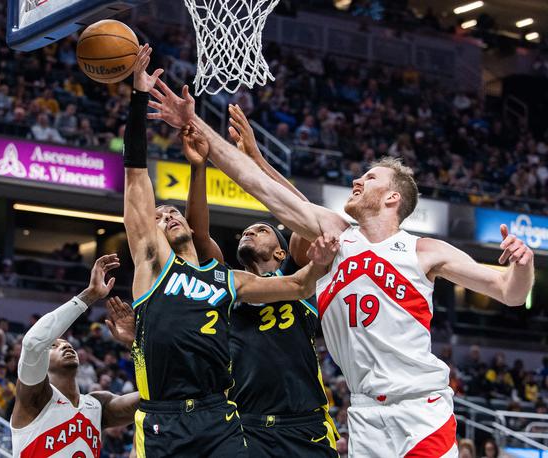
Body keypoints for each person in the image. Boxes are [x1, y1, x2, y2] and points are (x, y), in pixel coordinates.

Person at [147, 79, 535, 457]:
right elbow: (260, 186)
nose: (356, 180)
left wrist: (523, 264)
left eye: (369, 178)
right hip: (364, 413)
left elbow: (509, 292)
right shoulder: (335, 237)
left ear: (392, 197)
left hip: (421, 408)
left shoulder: (424, 250)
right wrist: (192, 123)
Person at [123, 44, 330, 458]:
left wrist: (318, 268)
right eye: (162, 215)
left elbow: (300, 250)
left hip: (259, 420)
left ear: (279, 251)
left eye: (263, 229)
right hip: (216, 418)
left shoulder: (232, 280)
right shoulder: (159, 264)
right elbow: (139, 180)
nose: (169, 217)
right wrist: (138, 98)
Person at [180, 111, 338, 457]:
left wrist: (257, 159)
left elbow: (304, 214)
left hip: (305, 423)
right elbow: (199, 236)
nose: (250, 230)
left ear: (281, 253)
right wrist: (198, 167)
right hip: (244, 423)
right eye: (247, 230)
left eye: (262, 229)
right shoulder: (228, 282)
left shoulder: (304, 278)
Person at [10, 255, 140, 457]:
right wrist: (90, 295)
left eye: (68, 344)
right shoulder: (35, 398)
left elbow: (153, 397)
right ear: (43, 360)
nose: (65, 346)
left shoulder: (97, 404)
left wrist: (136, 346)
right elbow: (34, 343)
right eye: (54, 345)